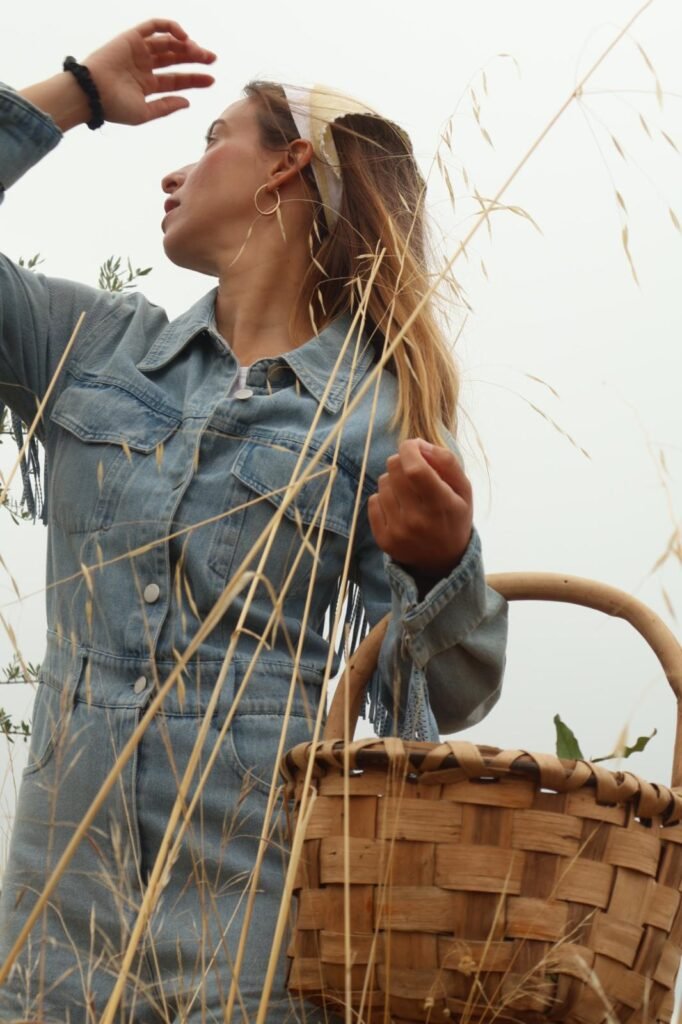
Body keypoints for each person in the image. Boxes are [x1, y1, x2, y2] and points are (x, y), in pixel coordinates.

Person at [0, 18, 508, 1024]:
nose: (174, 174)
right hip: (55, 934)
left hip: (258, 941)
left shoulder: (371, 414)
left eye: (211, 138)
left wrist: (444, 559)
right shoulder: (94, 348)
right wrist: (77, 93)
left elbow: (449, 696)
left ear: (289, 165)